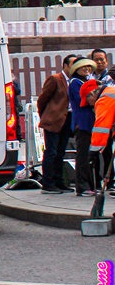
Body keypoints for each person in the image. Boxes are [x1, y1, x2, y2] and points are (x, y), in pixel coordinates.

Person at [37, 54, 76, 194]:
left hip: (68, 119)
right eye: (72, 64)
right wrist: (47, 115)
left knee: (61, 152)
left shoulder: (76, 80)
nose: (75, 68)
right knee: (51, 151)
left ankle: (59, 182)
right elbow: (43, 99)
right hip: (54, 119)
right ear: (65, 66)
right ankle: (47, 183)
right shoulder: (55, 79)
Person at [67, 57, 100, 196]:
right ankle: (82, 186)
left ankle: (91, 185)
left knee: (91, 155)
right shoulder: (75, 82)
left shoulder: (86, 81)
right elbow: (85, 99)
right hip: (82, 122)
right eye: (83, 67)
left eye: (88, 67)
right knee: (83, 155)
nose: (86, 69)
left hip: (91, 122)